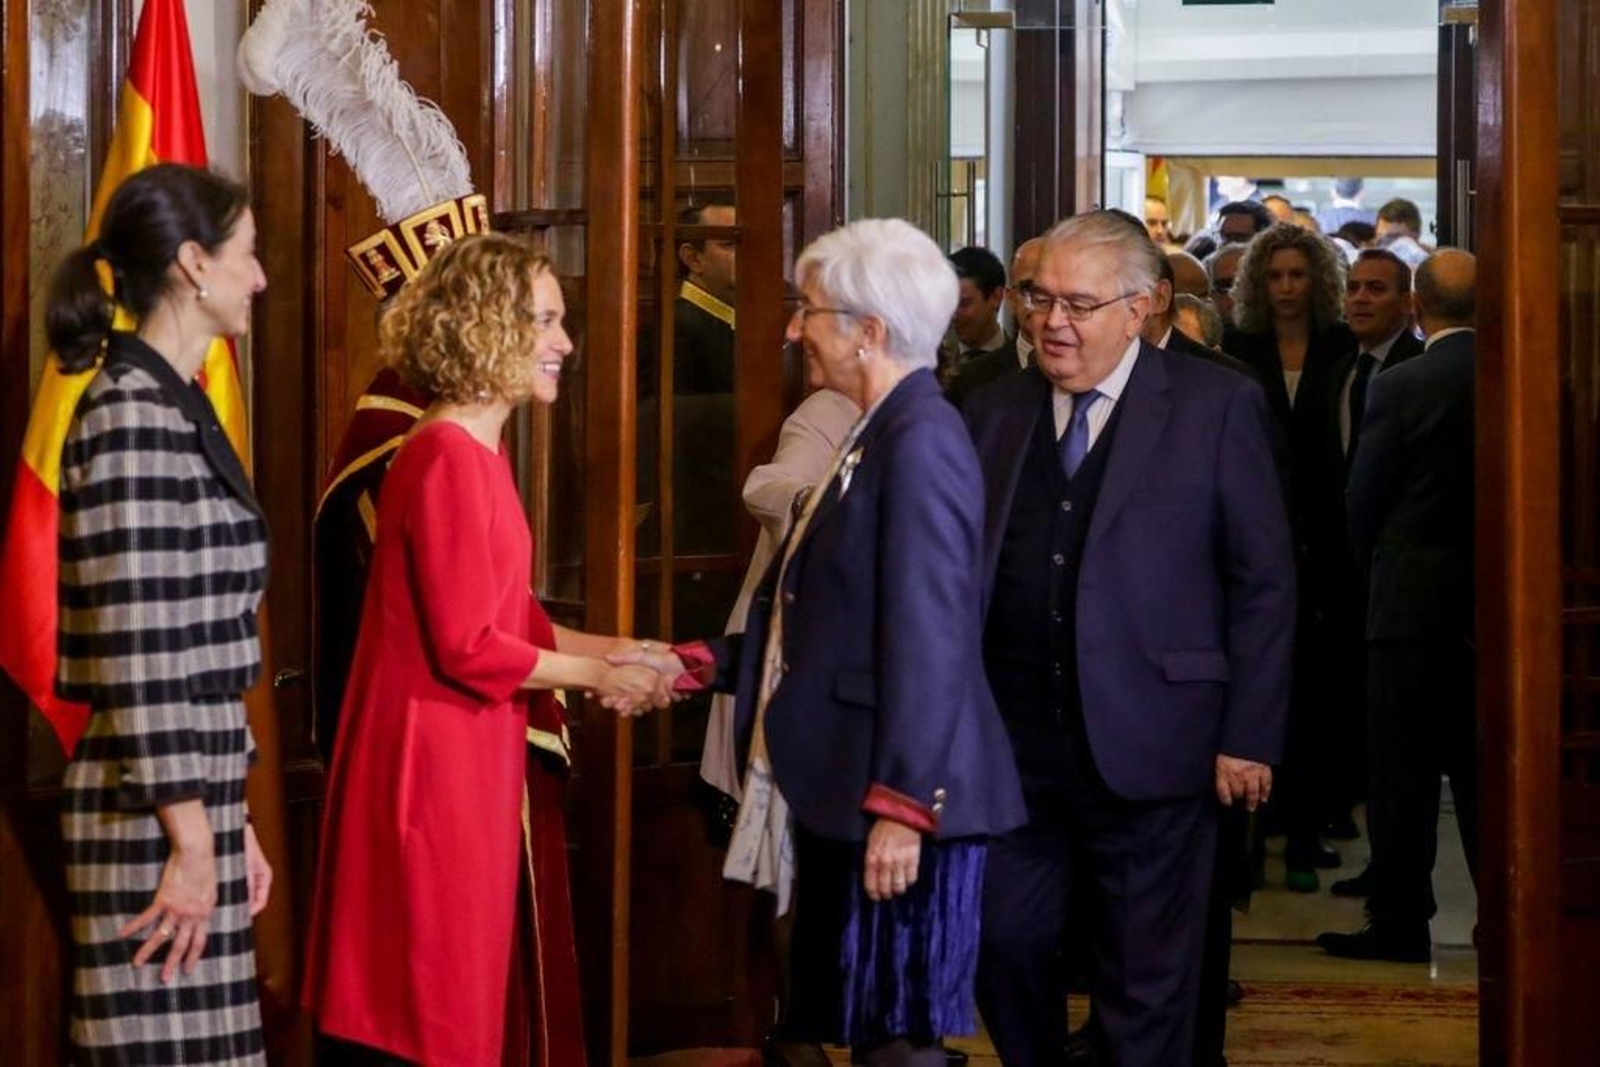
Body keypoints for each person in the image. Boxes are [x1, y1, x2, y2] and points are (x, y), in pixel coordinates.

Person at [630, 218, 1026, 1067]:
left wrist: (902, 806)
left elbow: (931, 638)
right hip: (857, 784)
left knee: (899, 1045)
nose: (789, 328)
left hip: (901, 799)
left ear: (869, 330)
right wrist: (704, 662)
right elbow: (831, 618)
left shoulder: (920, 441)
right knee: (875, 1036)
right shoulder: (878, 428)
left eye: (807, 310)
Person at [302, 234, 668, 1066]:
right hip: (429, 768)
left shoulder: (477, 451)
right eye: (545, 321)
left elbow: (515, 621)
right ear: (483, 326)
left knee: (453, 998)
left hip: (465, 753)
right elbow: (469, 646)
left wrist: (628, 647)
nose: (564, 344)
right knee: (425, 1008)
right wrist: (605, 673)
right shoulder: (446, 456)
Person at [967, 211, 1295, 1064]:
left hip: (1163, 745)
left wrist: (1248, 734)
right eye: (1039, 298)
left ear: (1143, 307)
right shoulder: (989, 410)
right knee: (1003, 939)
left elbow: (1262, 582)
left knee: (1147, 978)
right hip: (1013, 749)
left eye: (1079, 303)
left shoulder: (1216, 403)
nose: (1051, 321)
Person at [50, 163, 272, 1064]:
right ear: (193, 263)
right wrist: (189, 834)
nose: (259, 278)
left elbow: (196, 639)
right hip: (150, 817)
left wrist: (233, 820)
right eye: (248, 255)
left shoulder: (167, 403)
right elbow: (144, 650)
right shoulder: (133, 415)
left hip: (187, 803)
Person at [1319, 249, 1479, 962]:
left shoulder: (1404, 385)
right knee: (1483, 773)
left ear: (1417, 305)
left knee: (1401, 773)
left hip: (1408, 606)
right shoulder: (1521, 376)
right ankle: (1504, 919)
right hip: (1497, 610)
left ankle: (1400, 920)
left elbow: (1364, 499)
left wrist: (1370, 574)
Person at [947, 238, 1044, 406]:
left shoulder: (1082, 369)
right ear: (1011, 298)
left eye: (963, 303)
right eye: (1027, 290)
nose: (953, 314)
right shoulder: (945, 372)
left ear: (996, 297)